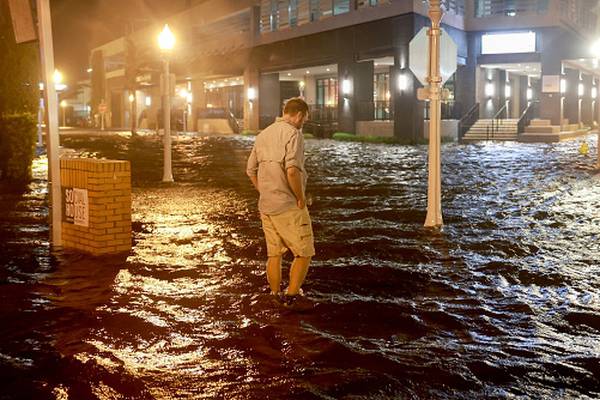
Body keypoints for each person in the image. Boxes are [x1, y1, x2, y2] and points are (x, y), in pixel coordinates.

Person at [246, 97, 315, 307]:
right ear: (300, 115)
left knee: (274, 254)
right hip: (287, 205)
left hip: (266, 205)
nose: (303, 123)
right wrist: (300, 198)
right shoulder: (294, 134)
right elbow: (292, 171)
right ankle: (292, 296)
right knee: (304, 252)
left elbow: (250, 170)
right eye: (304, 119)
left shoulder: (263, 134)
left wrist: (264, 191)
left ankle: (275, 294)